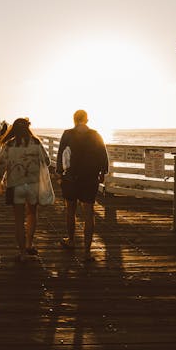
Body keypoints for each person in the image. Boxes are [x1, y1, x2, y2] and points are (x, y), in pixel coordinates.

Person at [0, 118, 51, 262]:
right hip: (33, 184)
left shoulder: (9, 144)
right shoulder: (36, 143)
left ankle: (22, 253)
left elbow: (0, 164)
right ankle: (29, 244)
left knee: (19, 220)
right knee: (32, 214)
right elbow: (47, 160)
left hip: (15, 185)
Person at [55, 109, 109, 262]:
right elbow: (103, 155)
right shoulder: (95, 134)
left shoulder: (67, 134)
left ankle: (71, 241)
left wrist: (59, 172)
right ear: (87, 119)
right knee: (89, 213)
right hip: (90, 178)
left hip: (71, 178)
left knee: (70, 211)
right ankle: (86, 252)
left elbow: (60, 154)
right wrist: (103, 173)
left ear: (74, 119)